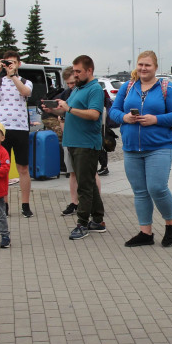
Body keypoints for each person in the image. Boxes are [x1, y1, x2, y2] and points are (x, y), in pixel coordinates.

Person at [109, 50, 172, 247]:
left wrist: (156, 119)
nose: (143, 68)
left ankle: (170, 223)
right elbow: (113, 111)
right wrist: (124, 117)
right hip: (131, 148)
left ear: (155, 67)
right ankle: (146, 233)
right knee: (140, 191)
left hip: (159, 147)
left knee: (157, 188)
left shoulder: (167, 88)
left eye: (147, 65)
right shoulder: (128, 86)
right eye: (140, 64)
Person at [55, 55, 107, 240]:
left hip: (86, 144)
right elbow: (68, 109)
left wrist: (69, 109)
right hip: (74, 142)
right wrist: (54, 109)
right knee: (89, 184)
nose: (75, 74)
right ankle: (99, 220)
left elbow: (94, 114)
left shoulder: (94, 89)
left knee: (84, 186)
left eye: (78, 71)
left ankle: (82, 223)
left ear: (89, 70)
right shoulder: (78, 88)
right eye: (74, 71)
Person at [0, 50, 34, 217]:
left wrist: (13, 76)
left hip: (20, 129)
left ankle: (25, 204)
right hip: (2, 130)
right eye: (7, 63)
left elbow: (25, 92)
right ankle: (3, 204)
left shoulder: (25, 81)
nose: (10, 66)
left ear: (19, 64)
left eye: (13, 62)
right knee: (1, 168)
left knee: (23, 168)